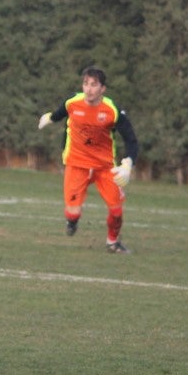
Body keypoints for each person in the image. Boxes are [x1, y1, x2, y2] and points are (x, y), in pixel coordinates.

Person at [37, 65, 140, 254]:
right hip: (77, 164)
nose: (89, 89)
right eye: (86, 84)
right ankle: (72, 221)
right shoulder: (73, 102)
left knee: (116, 211)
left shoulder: (112, 110)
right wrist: (50, 118)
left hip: (104, 167)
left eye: (94, 85)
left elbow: (131, 140)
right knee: (72, 212)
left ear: (102, 89)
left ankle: (112, 242)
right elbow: (61, 112)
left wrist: (128, 164)